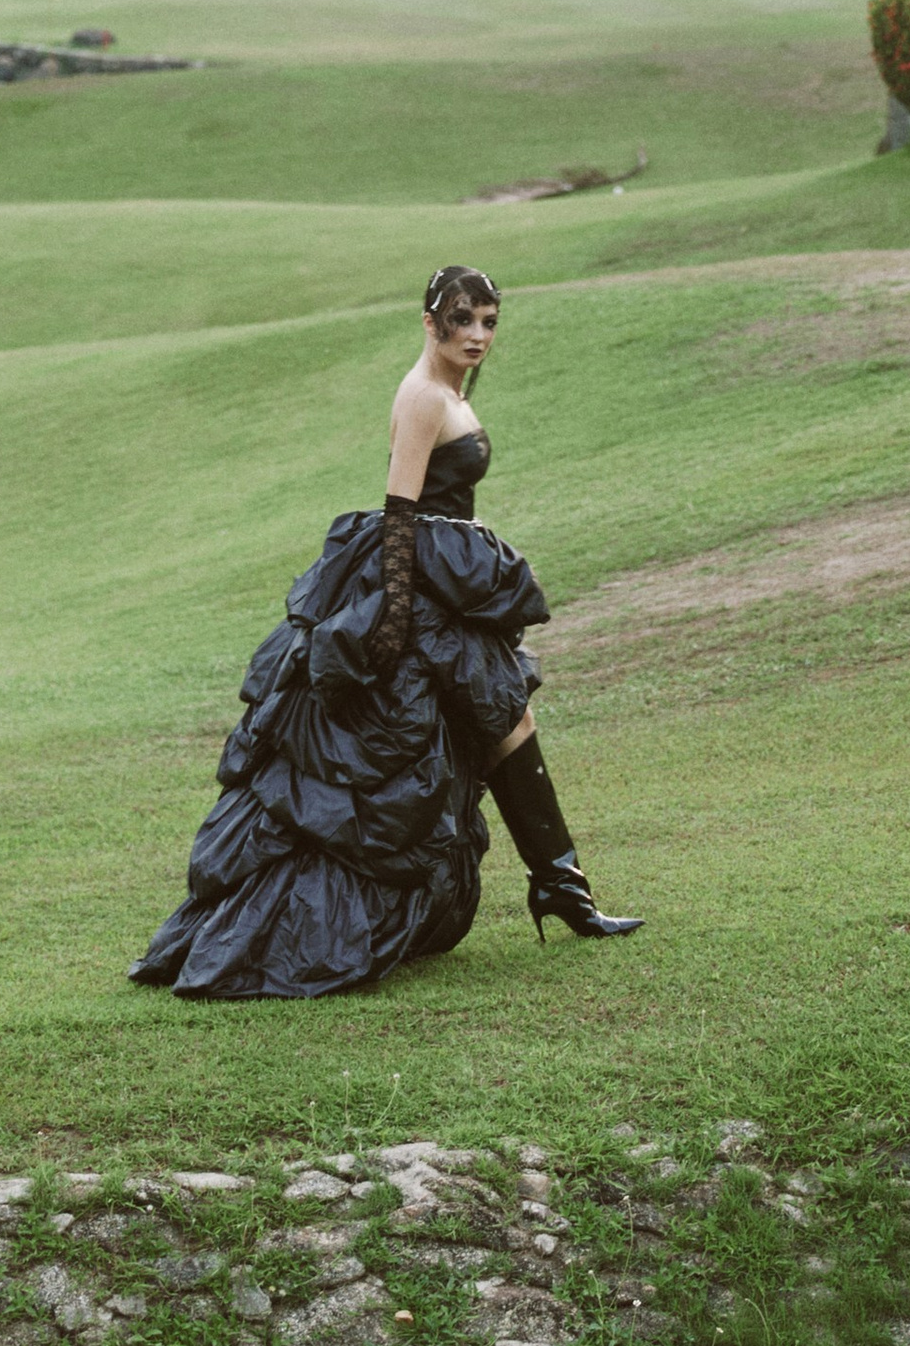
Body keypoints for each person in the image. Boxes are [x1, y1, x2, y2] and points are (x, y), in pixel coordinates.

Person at [130, 264, 640, 1002]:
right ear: (429, 322)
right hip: (417, 590)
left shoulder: (450, 389)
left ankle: (563, 889)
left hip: (442, 582)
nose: (477, 334)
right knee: (497, 720)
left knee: (502, 721)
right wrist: (393, 624)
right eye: (462, 319)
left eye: (489, 321)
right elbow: (399, 513)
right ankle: (563, 891)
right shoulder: (421, 394)